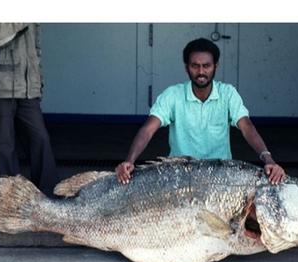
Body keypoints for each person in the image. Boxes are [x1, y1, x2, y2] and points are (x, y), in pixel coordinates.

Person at [116, 37, 285, 185]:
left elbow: (247, 128)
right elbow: (147, 130)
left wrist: (268, 159)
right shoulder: (173, 95)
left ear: (216, 66)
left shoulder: (228, 94)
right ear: (186, 67)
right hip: (179, 174)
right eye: (195, 66)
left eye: (206, 66)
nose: (201, 71)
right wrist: (129, 161)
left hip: (221, 175)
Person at [0, 23, 58, 196]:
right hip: (2, 85)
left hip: (28, 89)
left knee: (40, 137)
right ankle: (9, 197)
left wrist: (38, 83)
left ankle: (47, 194)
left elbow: (36, 51)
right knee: (5, 144)